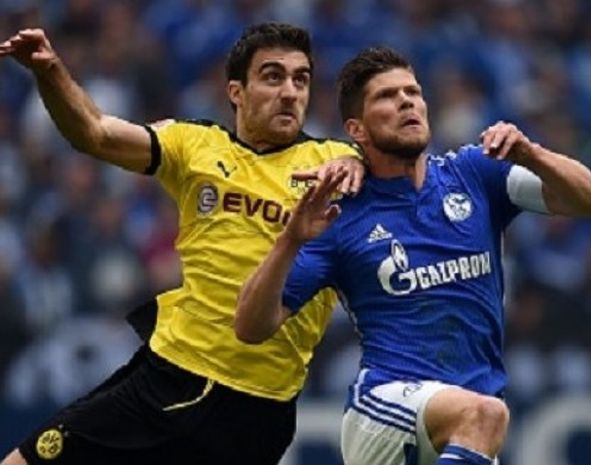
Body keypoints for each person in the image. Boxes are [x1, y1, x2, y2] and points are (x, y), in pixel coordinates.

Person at [0, 23, 363, 465]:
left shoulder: (336, 164)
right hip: (174, 375)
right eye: (272, 76)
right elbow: (94, 133)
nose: (289, 91)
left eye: (300, 79)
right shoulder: (196, 145)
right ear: (236, 91)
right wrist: (50, 70)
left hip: (262, 407)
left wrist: (358, 159)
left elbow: (414, 170)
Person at [235, 47, 591, 465]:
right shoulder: (340, 215)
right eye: (387, 96)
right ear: (356, 129)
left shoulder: (475, 173)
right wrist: (289, 241)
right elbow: (250, 326)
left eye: (413, 91)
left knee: (481, 414)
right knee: (485, 413)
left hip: (464, 430)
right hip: (387, 406)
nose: (407, 101)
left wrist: (531, 153)